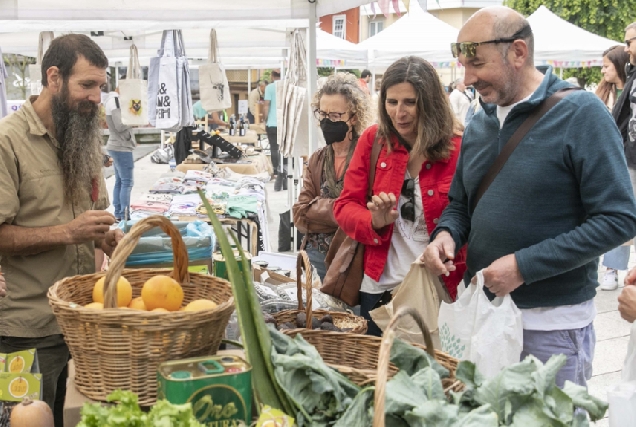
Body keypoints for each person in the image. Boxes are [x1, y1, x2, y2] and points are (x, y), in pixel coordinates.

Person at [422, 7, 636, 388]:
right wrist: (446, 236)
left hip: (552, 329)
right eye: (463, 65)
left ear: (518, 52)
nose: (467, 78)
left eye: (477, 64)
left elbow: (618, 220)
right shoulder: (479, 120)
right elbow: (460, 205)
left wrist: (523, 266)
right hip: (483, 321)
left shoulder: (582, 113)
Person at [0, 34, 124, 426]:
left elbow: (95, 216)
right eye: (86, 85)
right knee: (26, 419)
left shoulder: (85, 136)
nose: (95, 98)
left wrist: (103, 238)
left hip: (82, 322)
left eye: (100, 87)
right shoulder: (8, 142)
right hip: (25, 329)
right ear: (53, 77)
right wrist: (68, 232)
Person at [334, 56, 467, 336]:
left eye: (410, 102)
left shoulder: (459, 147)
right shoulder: (373, 141)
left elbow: (469, 214)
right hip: (380, 289)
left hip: (439, 289)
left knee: (432, 376)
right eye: (391, 102)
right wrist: (374, 221)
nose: (399, 112)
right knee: (379, 374)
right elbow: (344, 206)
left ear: (429, 103)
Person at [293, 73, 373, 281]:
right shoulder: (317, 159)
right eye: (322, 114)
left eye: (336, 116)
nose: (327, 121)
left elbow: (367, 214)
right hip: (315, 256)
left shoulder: (368, 157)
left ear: (353, 117)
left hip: (353, 257)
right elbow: (300, 214)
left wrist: (319, 208)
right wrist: (345, 211)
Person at [595, 45, 631, 290]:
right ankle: (611, 268)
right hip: (613, 159)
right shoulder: (603, 94)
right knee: (617, 213)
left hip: (629, 157)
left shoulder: (630, 90)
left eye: (607, 65)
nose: (603, 70)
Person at [105, 76, 136, 222]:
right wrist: (134, 120)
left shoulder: (112, 99)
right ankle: (124, 215)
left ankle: (118, 213)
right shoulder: (116, 101)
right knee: (127, 182)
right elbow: (119, 125)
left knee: (120, 181)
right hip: (121, 146)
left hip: (116, 145)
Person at [262, 70, 287, 191]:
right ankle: (286, 170)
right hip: (285, 123)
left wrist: (264, 119)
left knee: (274, 147)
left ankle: (277, 171)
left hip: (272, 123)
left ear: (272, 76)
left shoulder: (270, 88)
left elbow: (266, 105)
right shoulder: (287, 87)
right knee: (284, 148)